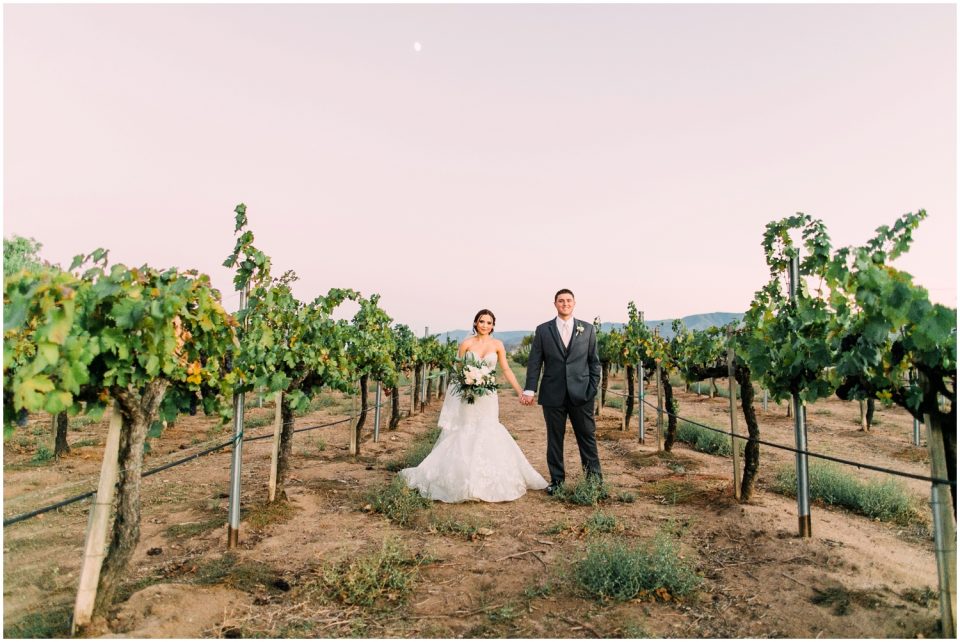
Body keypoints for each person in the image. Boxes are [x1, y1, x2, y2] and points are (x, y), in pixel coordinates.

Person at [400, 309, 548, 502]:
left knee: (489, 429)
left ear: (493, 325)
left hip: (488, 396)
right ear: (476, 323)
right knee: (466, 431)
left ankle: (487, 480)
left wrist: (521, 391)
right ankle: (462, 480)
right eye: (481, 321)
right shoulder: (466, 344)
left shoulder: (498, 345)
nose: (485, 325)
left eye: (488, 322)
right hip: (468, 395)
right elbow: (458, 372)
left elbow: (505, 369)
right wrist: (467, 385)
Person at [521, 289, 602, 494]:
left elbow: (594, 363)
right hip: (552, 394)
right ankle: (557, 482)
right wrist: (530, 388)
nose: (565, 304)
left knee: (587, 438)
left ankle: (594, 483)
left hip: (582, 394)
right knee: (555, 440)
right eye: (561, 301)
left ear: (574, 303)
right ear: (555, 304)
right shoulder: (543, 330)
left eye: (568, 300)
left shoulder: (588, 329)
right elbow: (535, 362)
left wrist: (591, 389)